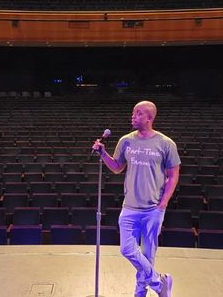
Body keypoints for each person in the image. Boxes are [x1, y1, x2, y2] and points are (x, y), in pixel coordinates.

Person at [92, 100, 180, 297]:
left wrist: (163, 203)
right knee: (127, 250)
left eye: (138, 113)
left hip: (153, 209)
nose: (133, 116)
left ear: (149, 117)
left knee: (148, 255)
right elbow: (116, 167)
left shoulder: (166, 144)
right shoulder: (126, 141)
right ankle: (160, 283)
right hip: (130, 207)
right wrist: (103, 153)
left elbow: (173, 175)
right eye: (133, 112)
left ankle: (140, 293)